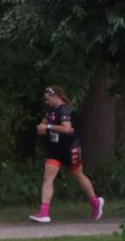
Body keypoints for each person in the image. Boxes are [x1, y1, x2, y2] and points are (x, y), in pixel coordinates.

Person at [29, 85, 105, 224]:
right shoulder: (50, 110)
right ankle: (44, 212)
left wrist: (48, 127)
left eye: (47, 99)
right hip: (55, 148)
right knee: (48, 179)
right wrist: (41, 128)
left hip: (70, 147)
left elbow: (66, 128)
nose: (46, 102)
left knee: (78, 175)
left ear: (55, 96)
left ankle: (95, 203)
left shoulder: (63, 109)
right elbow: (43, 125)